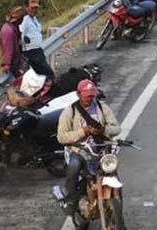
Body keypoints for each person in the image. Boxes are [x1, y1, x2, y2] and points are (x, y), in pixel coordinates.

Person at [57, 80, 121, 215]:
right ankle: (71, 200)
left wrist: (103, 130)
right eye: (86, 96)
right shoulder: (70, 112)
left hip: (101, 150)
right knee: (73, 167)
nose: (89, 99)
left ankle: (117, 206)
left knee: (112, 171)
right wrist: (83, 132)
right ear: (78, 94)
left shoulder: (103, 108)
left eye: (92, 96)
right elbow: (61, 137)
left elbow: (117, 128)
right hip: (79, 150)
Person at [19, 0, 55, 80]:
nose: (34, 10)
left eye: (36, 8)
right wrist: (23, 39)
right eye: (32, 8)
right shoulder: (25, 19)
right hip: (31, 52)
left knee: (43, 77)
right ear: (26, 7)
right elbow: (20, 33)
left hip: (38, 50)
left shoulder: (34, 18)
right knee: (48, 74)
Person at [0, 6, 26, 77]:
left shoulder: (14, 28)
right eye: (22, 18)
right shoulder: (8, 31)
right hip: (14, 66)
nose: (23, 20)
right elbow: (8, 49)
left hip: (18, 62)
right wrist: (7, 64)